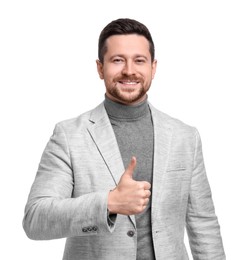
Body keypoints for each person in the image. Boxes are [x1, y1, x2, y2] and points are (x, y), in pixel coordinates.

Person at [23, 18, 226, 260]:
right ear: (100, 68)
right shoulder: (69, 136)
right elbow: (35, 219)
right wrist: (108, 203)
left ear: (153, 67)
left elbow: (203, 225)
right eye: (117, 60)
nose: (129, 70)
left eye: (139, 60)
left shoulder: (185, 137)